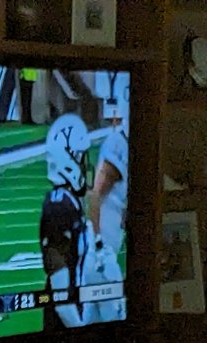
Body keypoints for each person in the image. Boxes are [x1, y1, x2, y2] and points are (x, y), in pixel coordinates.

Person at [40, 112, 97, 331]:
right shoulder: (59, 206)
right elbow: (62, 299)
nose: (85, 164)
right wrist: (82, 331)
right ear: (69, 158)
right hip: (64, 330)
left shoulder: (70, 202)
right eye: (81, 157)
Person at [87, 70, 129, 322]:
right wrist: (99, 245)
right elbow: (96, 195)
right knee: (115, 320)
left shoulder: (122, 140)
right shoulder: (119, 143)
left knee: (91, 324)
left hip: (101, 254)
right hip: (103, 257)